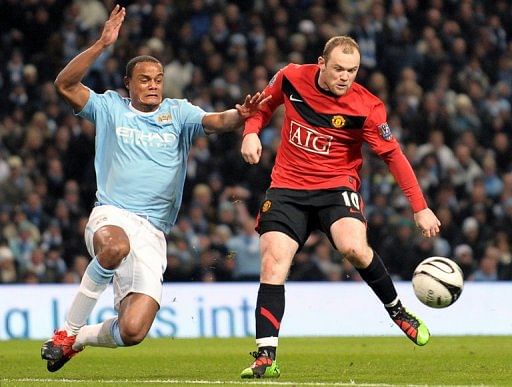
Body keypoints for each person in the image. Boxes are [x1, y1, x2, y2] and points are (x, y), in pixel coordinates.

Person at [40, 5, 268, 372]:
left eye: (158, 79)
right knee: (114, 247)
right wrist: (102, 43)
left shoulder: (178, 113)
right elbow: (64, 85)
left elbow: (218, 121)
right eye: (145, 79)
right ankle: (68, 330)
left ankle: (76, 342)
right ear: (127, 83)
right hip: (112, 214)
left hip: (153, 231)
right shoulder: (109, 107)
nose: (153, 85)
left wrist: (239, 115)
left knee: (133, 331)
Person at [239, 35, 441, 379]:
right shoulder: (290, 76)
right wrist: (251, 132)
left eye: (352, 70)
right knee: (273, 261)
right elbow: (261, 106)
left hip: (336, 188)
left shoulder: (367, 106)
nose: (345, 76)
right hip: (287, 187)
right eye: (338, 69)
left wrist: (419, 207)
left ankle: (397, 311)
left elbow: (393, 155)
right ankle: (266, 356)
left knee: (353, 248)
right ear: (321, 63)